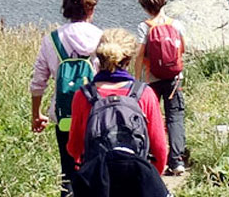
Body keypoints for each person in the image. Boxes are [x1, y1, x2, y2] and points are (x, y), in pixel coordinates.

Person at [67, 29, 170, 197]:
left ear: (99, 57)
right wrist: (147, 178)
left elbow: (74, 148)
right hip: (136, 182)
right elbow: (160, 151)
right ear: (128, 60)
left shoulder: (83, 95)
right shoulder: (144, 94)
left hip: (97, 185)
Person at [31, 0, 103, 196]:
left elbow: (38, 82)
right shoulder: (102, 38)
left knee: (68, 173)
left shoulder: (51, 40)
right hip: (95, 116)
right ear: (91, 8)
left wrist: (36, 115)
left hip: (64, 115)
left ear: (66, 10)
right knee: (96, 170)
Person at [133, 0, 188, 175]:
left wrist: (137, 80)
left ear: (144, 6)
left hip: (151, 81)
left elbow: (139, 56)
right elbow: (183, 49)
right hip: (174, 79)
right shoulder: (176, 25)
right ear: (164, 2)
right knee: (175, 118)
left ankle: (152, 159)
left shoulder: (144, 27)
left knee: (150, 119)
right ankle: (177, 161)